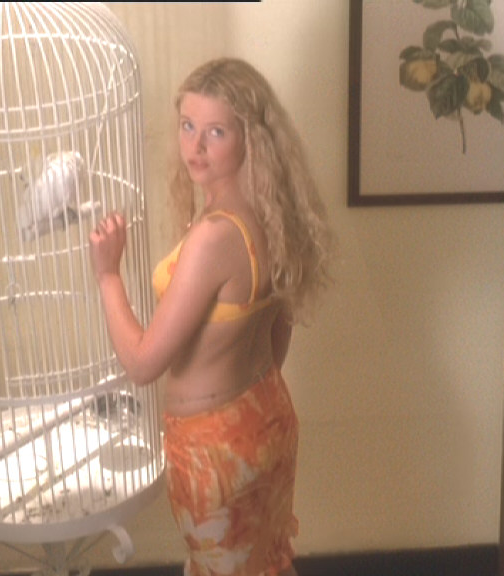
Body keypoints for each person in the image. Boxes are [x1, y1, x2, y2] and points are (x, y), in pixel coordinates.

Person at [89, 57, 334, 576]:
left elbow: (142, 363)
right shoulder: (273, 215)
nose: (195, 146)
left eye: (216, 132)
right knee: (265, 563)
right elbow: (278, 337)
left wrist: (108, 274)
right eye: (187, 126)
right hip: (266, 417)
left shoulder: (215, 236)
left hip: (214, 451)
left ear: (252, 139)